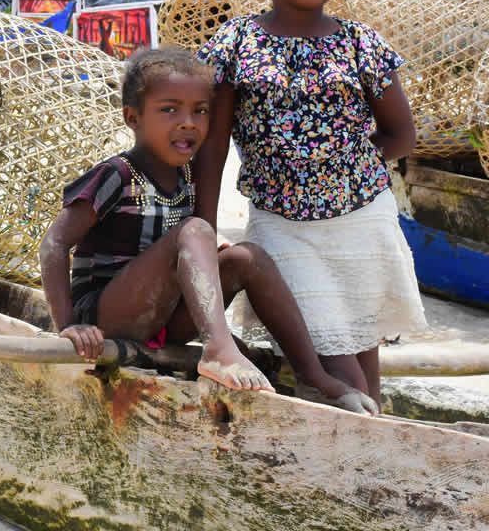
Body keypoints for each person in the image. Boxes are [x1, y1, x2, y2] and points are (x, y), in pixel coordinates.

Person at [40, 46, 377, 411]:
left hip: (163, 319)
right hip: (108, 316)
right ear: (132, 117)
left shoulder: (187, 177)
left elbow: (184, 257)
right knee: (198, 228)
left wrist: (204, 260)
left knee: (248, 257)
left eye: (199, 111)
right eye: (169, 110)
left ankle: (314, 377)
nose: (188, 122)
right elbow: (54, 245)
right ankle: (218, 350)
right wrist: (70, 326)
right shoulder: (117, 175)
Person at [193, 0, 427, 406]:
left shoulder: (360, 44)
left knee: (362, 354)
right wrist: (204, 230)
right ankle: (367, 446)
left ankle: (369, 460)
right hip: (282, 225)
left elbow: (401, 135)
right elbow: (212, 147)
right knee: (335, 365)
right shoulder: (235, 44)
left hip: (361, 220)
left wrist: (343, 164)